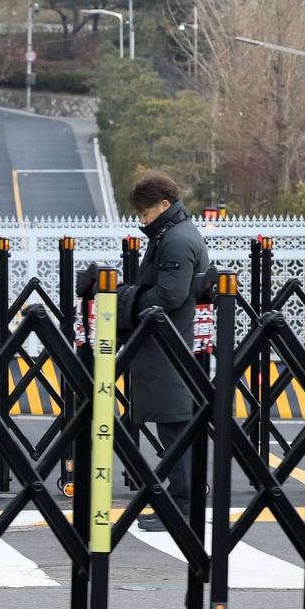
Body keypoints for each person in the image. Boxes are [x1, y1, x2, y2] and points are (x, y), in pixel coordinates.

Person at [117, 172, 209, 531]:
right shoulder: (171, 235)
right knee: (173, 425)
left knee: (175, 426)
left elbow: (169, 296)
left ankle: (183, 505)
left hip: (170, 345)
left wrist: (126, 298)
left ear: (164, 205)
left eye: (145, 212)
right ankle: (180, 499)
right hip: (166, 344)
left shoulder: (176, 240)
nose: (142, 220)